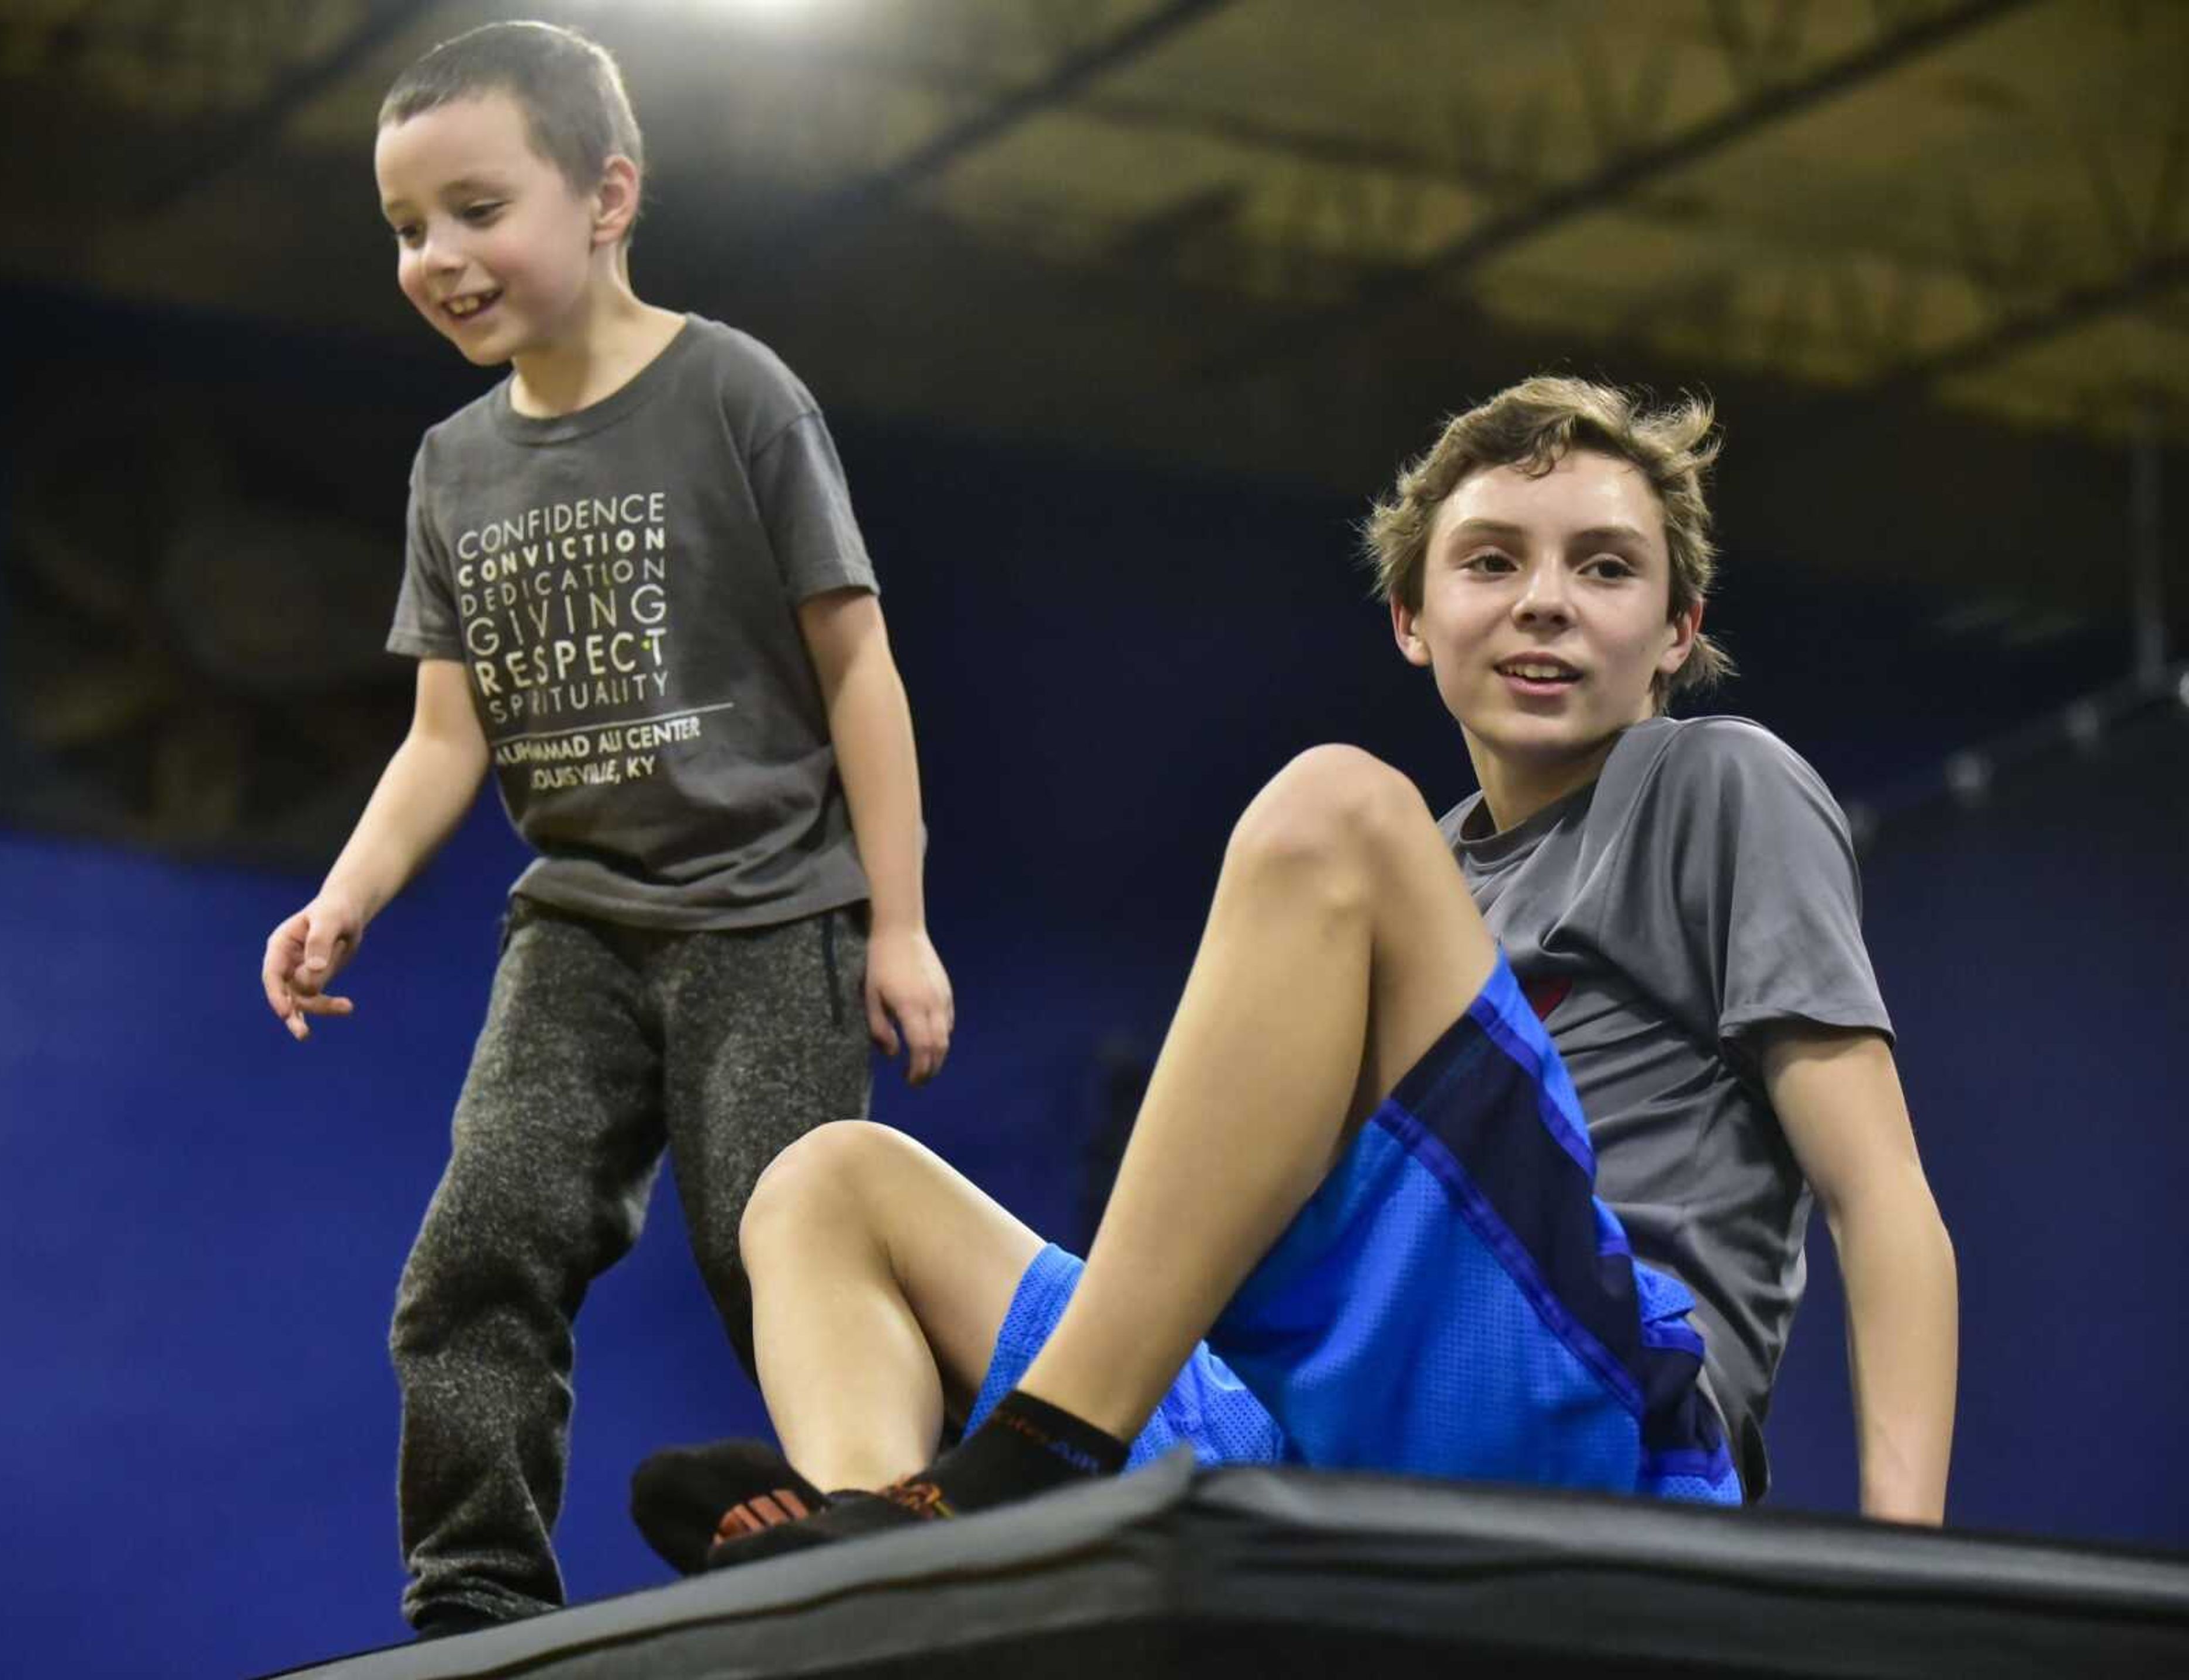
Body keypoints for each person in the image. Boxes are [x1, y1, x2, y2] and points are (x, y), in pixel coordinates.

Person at [629, 376, 1958, 1575]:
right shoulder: (1412, 875)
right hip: (1313, 1421)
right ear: (1411, 621)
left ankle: (1015, 1464)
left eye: (1606, 568)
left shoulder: (1715, 781)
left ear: (1678, 631)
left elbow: (1879, 1190)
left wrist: (1911, 1587)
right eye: (1491, 562)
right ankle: (879, 1563)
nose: (1546, 598)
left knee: (1330, 805)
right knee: (825, 1183)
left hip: (1599, 1419)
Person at [254, 20, 954, 1636]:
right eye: (406, 227)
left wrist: (899, 923)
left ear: (608, 195)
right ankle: (474, 1600)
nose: (438, 256)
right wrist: (347, 893)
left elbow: (860, 666)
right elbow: (450, 732)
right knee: (478, 1246)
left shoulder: (733, 392)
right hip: (575, 925)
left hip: (773, 912)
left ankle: (895, 1540)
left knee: (783, 1246)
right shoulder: (454, 467)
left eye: (477, 208)